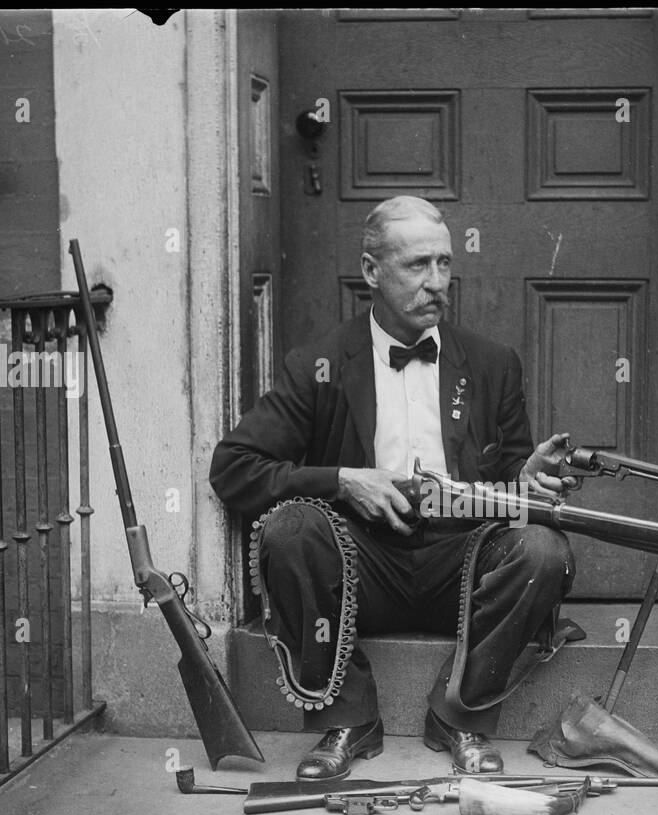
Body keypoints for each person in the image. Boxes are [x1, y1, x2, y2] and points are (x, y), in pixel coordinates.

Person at [210, 196, 578, 780]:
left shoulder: (491, 364)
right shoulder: (320, 364)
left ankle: (460, 716)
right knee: (288, 531)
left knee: (542, 551)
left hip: (461, 565)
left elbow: (513, 492)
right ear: (372, 271)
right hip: (363, 571)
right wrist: (342, 480)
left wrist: (525, 482)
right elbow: (234, 468)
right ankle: (348, 718)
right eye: (417, 266)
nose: (437, 284)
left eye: (445, 264)